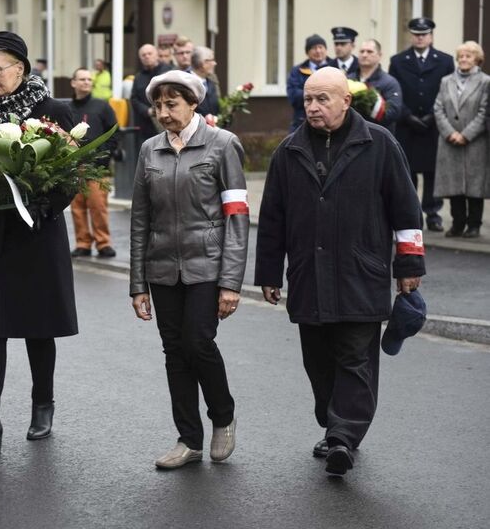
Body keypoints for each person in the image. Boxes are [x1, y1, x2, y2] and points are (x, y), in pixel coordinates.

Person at [255, 67, 426, 477]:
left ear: (346, 101)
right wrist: (268, 273)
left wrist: (409, 264)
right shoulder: (289, 150)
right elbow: (272, 219)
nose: (313, 107)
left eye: (322, 99)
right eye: (309, 100)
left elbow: (407, 209)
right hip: (309, 275)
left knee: (354, 359)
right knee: (318, 361)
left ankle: (344, 437)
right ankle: (333, 425)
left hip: (360, 273)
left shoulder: (380, 144)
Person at [0, 31, 78, 457]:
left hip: (36, 235)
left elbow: (72, 173)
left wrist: (43, 203)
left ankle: (43, 404)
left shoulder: (53, 109)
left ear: (20, 69)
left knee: (39, 329)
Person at [130, 70, 249, 470]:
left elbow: (236, 217)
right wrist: (137, 284)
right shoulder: (149, 150)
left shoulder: (223, 145)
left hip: (207, 264)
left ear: (194, 103)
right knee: (174, 352)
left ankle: (223, 415)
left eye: (172, 104)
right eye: (158, 105)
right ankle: (188, 439)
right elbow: (140, 219)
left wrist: (231, 282)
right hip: (162, 266)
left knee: (198, 341)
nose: (163, 113)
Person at [389, 17, 455, 232]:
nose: (420, 37)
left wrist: (432, 116)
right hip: (407, 125)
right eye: (416, 34)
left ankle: (433, 213)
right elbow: (394, 92)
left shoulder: (445, 61)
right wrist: (407, 116)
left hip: (433, 124)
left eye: (424, 34)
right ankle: (410, 212)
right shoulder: (398, 61)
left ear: (431, 36)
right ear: (411, 35)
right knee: (407, 171)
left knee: (431, 171)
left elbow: (448, 94)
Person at [433, 41, 490, 239]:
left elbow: (485, 111)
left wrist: (466, 134)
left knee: (475, 185)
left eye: (469, 56)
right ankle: (457, 224)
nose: (464, 59)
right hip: (449, 140)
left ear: (477, 59)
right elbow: (438, 108)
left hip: (475, 141)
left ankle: (474, 225)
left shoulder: (485, 81)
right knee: (454, 183)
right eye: (461, 56)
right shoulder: (445, 81)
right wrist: (450, 133)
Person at [68, 68, 119, 259]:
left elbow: (114, 132)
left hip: (98, 167)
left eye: (89, 79)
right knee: (77, 207)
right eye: (82, 79)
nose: (86, 82)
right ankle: (82, 243)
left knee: (98, 207)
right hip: (74, 167)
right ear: (73, 83)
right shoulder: (67, 109)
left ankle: (104, 243)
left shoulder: (102, 106)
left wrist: (104, 157)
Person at [357, 39, 403, 133]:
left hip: (379, 137)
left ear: (379, 55)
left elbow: (392, 113)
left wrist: (368, 102)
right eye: (362, 51)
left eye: (369, 51)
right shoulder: (348, 79)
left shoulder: (389, 83)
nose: (364, 55)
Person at [287, 34, 331, 131]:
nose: (318, 51)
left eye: (321, 47)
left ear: (326, 50)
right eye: (314, 48)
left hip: (329, 122)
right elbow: (294, 97)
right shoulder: (297, 70)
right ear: (307, 52)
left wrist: (308, 93)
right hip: (301, 121)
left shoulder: (334, 67)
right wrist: (320, 94)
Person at [130, 44, 169, 148]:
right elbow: (134, 99)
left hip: (166, 124)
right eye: (143, 55)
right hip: (145, 125)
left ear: (156, 55)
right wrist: (147, 111)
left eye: (149, 54)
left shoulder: (168, 71)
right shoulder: (138, 77)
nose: (147, 56)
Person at [191, 46, 220, 120]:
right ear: (203, 63)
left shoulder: (212, 83)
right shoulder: (186, 83)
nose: (215, 63)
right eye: (212, 60)